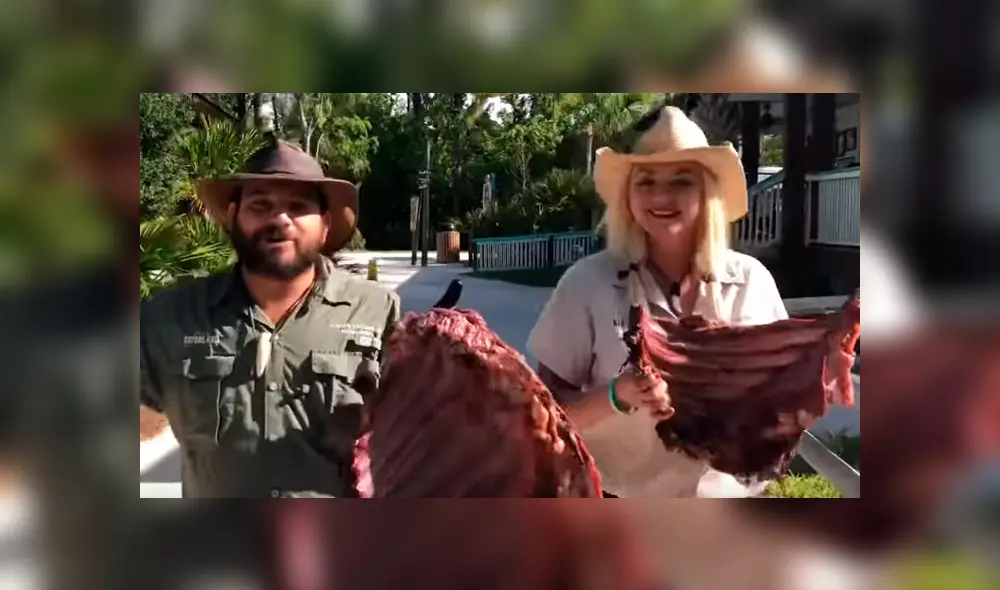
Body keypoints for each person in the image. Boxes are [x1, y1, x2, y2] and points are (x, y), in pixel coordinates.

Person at [527, 106, 788, 498]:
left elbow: (786, 403)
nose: (662, 195)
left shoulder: (752, 282)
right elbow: (544, 414)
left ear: (707, 192)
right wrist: (618, 395)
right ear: (627, 195)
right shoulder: (586, 283)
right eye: (645, 181)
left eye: (682, 181)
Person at [140, 139, 400, 498]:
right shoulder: (171, 317)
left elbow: (415, 432)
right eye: (260, 205)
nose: (280, 219)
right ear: (232, 218)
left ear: (324, 225)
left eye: (298, 206)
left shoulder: (377, 309)